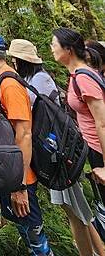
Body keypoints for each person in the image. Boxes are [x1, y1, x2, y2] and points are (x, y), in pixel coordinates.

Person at [9, 39, 105, 256]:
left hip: (59, 154)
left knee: (79, 210)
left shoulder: (40, 80)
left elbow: (29, 111)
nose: (13, 62)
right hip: (52, 153)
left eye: (15, 58)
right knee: (73, 209)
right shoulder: (31, 78)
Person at [0, 31, 54, 256]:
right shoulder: (3, 80)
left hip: (21, 177)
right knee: (25, 227)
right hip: (14, 173)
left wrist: (20, 185)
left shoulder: (9, 84)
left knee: (35, 235)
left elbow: (24, 134)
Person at [51, 29, 105, 200]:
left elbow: (102, 122)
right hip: (94, 148)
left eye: (54, 44)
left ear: (69, 49)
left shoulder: (83, 78)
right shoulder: (77, 75)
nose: (51, 48)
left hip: (99, 149)